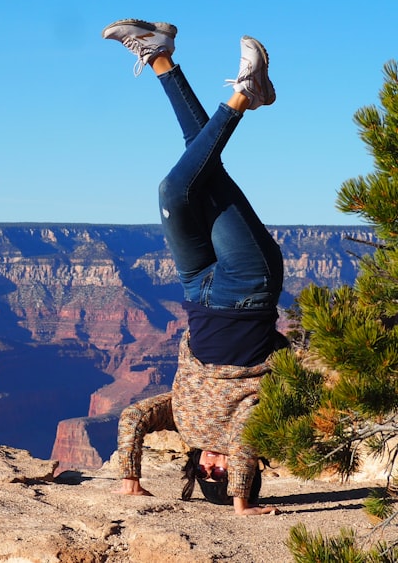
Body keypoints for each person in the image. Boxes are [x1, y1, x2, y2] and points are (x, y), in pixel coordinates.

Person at [102, 19, 287, 516]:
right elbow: (247, 441)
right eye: (221, 477)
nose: (212, 468)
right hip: (248, 285)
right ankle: (244, 95)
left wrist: (130, 480)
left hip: (198, 285)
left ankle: (162, 57)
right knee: (178, 186)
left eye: (203, 475)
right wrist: (241, 504)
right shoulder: (254, 423)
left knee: (194, 173)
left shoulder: (183, 422)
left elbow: (135, 414)